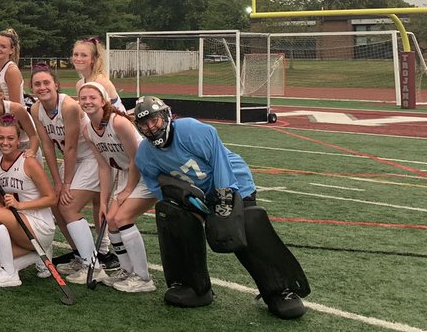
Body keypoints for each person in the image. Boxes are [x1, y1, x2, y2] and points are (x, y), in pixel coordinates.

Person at [133, 96, 308, 319]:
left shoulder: (190, 131)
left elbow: (218, 159)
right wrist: (185, 203)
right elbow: (159, 187)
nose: (151, 128)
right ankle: (194, 286)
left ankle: (279, 290)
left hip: (234, 183)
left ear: (166, 117)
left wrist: (224, 195)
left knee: (242, 231)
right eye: (144, 124)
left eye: (154, 121)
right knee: (174, 216)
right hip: (199, 195)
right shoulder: (145, 155)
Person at [31, 66, 112, 283]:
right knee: (56, 204)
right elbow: (47, 147)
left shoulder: (67, 106)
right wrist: (57, 182)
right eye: (37, 84)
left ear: (56, 84)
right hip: (74, 161)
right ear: (32, 88)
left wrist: (65, 183)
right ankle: (80, 255)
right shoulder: (35, 109)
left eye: (46, 82)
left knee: (68, 205)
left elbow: (72, 147)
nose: (42, 87)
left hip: (93, 158)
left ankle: (93, 266)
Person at [79, 82, 156, 293]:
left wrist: (127, 191)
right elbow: (104, 167)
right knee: (110, 221)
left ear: (103, 101)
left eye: (92, 97)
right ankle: (126, 270)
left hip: (146, 171)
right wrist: (103, 201)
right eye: (83, 98)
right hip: (124, 174)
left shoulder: (119, 123)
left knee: (122, 219)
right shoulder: (88, 130)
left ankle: (143, 278)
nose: (87, 101)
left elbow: (136, 159)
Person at [0, 119, 58, 288]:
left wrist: (21, 206)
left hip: (39, 225)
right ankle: (41, 254)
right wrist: (5, 224)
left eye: (10, 138)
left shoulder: (29, 162)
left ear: (19, 139)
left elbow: (51, 198)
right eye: (1, 138)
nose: (5, 142)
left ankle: (9, 273)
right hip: (17, 226)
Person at [71, 36, 126, 114]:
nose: (78, 59)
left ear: (93, 59)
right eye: (76, 54)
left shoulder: (101, 82)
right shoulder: (79, 84)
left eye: (84, 55)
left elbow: (111, 114)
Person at [0, 28, 28, 107]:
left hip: (11, 118)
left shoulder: (11, 70)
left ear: (11, 50)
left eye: (3, 46)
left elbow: (15, 106)